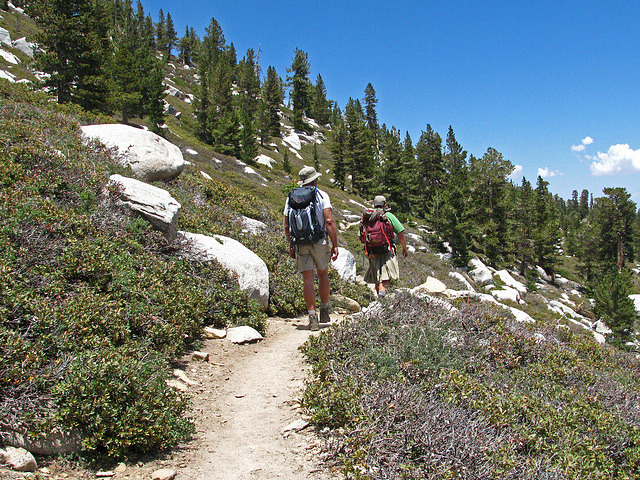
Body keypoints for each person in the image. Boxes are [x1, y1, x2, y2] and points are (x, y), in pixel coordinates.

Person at [284, 166, 339, 331]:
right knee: (323, 274)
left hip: (300, 243)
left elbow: (287, 225)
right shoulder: (322, 195)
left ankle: (312, 317)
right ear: (314, 180)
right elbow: (329, 221)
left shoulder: (292, 197)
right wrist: (335, 244)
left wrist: (291, 244)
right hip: (318, 241)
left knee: (307, 280)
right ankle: (324, 308)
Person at [363, 195, 409, 298]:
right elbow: (400, 234)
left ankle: (379, 297)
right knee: (385, 276)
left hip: (372, 251)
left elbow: (360, 235)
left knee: (376, 276)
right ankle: (382, 296)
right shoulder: (389, 216)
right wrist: (404, 248)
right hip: (387, 250)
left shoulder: (368, 217)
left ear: (374, 204)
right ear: (385, 205)